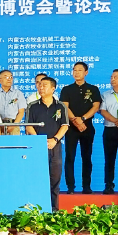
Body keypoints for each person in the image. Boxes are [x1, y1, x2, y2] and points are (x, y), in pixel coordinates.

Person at [26, 77, 69, 210]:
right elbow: (29, 126)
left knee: (55, 178)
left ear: (53, 88)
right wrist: (39, 141)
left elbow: (65, 125)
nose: (41, 87)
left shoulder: (60, 106)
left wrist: (54, 140)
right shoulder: (32, 106)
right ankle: (37, 209)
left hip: (55, 146)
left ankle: (54, 209)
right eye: (39, 85)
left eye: (44, 85)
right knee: (37, 178)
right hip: (38, 147)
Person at [60, 62, 102, 194]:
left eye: (79, 70)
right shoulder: (66, 89)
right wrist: (75, 120)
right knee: (70, 157)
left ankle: (86, 186)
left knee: (87, 157)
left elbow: (96, 106)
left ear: (86, 72)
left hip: (87, 126)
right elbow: (65, 107)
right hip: (71, 128)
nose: (76, 72)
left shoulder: (93, 89)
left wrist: (82, 119)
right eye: (74, 70)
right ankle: (70, 187)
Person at [0, 70, 27, 135]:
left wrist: (14, 125)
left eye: (11, 77)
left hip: (14, 125)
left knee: (14, 142)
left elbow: (21, 112)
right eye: (6, 77)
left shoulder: (18, 94)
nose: (9, 79)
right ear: (0, 80)